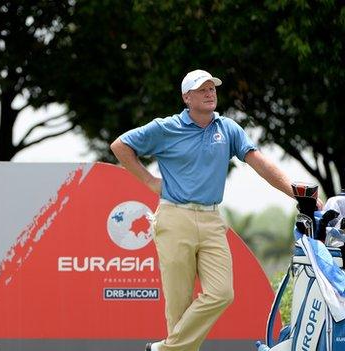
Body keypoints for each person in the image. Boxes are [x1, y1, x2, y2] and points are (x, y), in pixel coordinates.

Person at [110, 69, 295, 351]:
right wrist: (148, 181)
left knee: (222, 293)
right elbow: (120, 146)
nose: (210, 93)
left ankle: (162, 349)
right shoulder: (165, 128)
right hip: (174, 218)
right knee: (179, 306)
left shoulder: (228, 128)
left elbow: (260, 163)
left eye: (212, 89)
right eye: (202, 89)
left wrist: (296, 193)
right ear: (187, 97)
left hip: (211, 219)